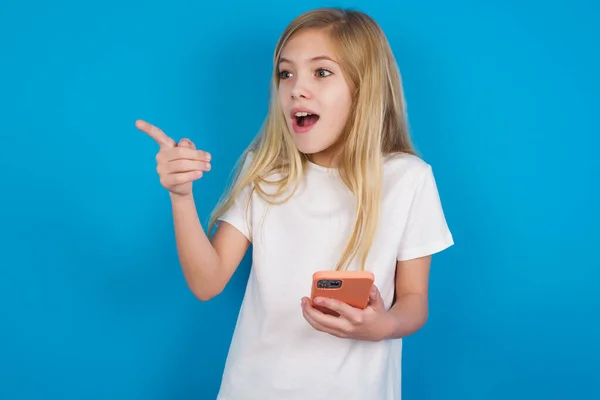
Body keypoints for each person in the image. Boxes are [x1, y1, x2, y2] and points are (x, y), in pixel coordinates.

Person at [136, 7, 453, 400]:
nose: (296, 89)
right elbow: (207, 281)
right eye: (286, 73)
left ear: (364, 87)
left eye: (321, 72)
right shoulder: (265, 172)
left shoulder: (408, 179)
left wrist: (382, 326)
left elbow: (414, 301)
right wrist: (181, 196)